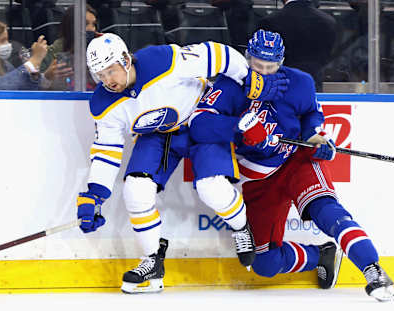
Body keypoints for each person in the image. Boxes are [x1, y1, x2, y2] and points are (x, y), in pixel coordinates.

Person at [188, 29, 394, 302]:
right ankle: (321, 254)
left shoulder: (300, 82)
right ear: (247, 57)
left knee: (327, 211)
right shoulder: (230, 85)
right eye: (257, 65)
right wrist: (238, 127)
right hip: (257, 178)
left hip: (294, 161)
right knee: (265, 264)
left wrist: (316, 136)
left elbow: (311, 113)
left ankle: (374, 270)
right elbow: (199, 124)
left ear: (281, 62)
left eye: (271, 66)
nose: (263, 72)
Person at [78, 32, 287, 294]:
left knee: (213, 189)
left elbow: (216, 55)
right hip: (158, 135)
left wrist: (249, 78)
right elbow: (107, 150)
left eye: (111, 71)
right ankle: (153, 259)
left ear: (124, 59)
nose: (107, 80)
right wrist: (94, 194)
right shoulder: (102, 104)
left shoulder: (161, 61)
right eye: (100, 75)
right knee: (135, 189)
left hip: (201, 120)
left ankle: (241, 226)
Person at [256, 0, 337, 91]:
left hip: (279, 88)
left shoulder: (269, 22)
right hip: (313, 86)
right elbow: (328, 55)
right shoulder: (328, 22)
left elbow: (262, 61)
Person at [0, 18, 56, 90]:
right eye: (2, 40)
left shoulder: (4, 65)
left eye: (7, 40)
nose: (8, 44)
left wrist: (47, 77)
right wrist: (34, 60)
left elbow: (22, 87)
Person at [39, 4, 99, 90]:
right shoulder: (51, 54)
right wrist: (47, 77)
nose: (91, 29)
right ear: (71, 26)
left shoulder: (98, 52)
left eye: (93, 24)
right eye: (85, 24)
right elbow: (35, 91)